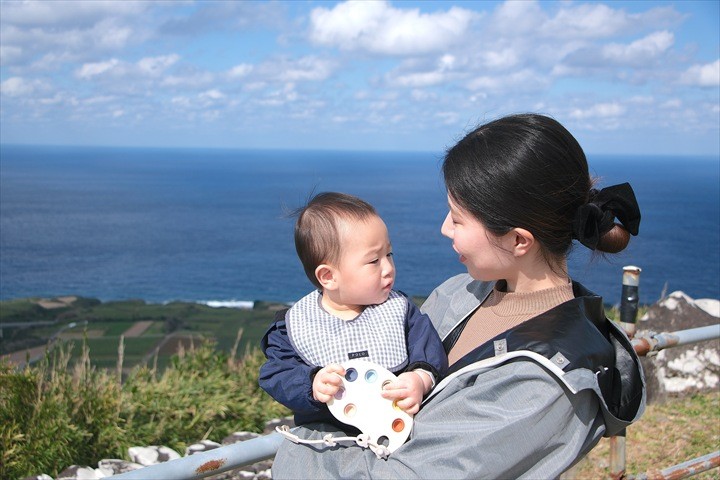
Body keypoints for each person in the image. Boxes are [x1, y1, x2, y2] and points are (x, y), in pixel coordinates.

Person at [270, 113, 646, 479]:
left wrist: (298, 448)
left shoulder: (545, 381)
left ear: (518, 240)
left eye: (458, 218)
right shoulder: (460, 292)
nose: (444, 228)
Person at [259, 192, 448, 441]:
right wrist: (311, 383)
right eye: (374, 261)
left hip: (398, 431)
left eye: (389, 255)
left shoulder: (399, 309)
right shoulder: (294, 325)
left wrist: (420, 379)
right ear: (328, 276)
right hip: (330, 439)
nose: (389, 268)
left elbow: (428, 349)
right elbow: (276, 373)